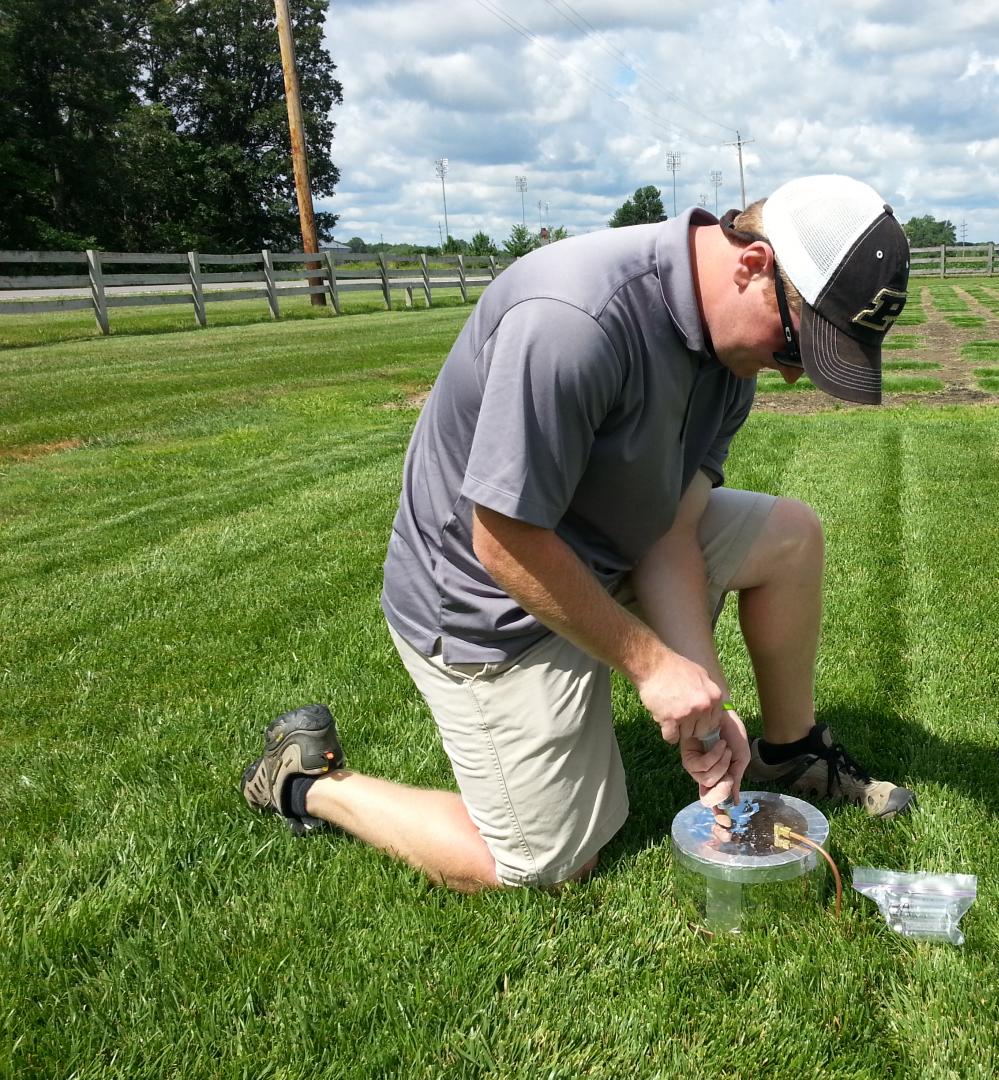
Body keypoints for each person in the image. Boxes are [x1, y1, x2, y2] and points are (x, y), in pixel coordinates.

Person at [243, 174, 916, 891]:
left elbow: (670, 528)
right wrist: (652, 667)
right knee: (544, 863)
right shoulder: (572, 321)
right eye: (796, 347)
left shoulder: (732, 353)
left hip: (601, 545)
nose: (789, 377)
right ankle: (309, 782)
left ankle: (787, 752)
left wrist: (701, 691)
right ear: (752, 267)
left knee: (790, 535)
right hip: (487, 599)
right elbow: (500, 540)